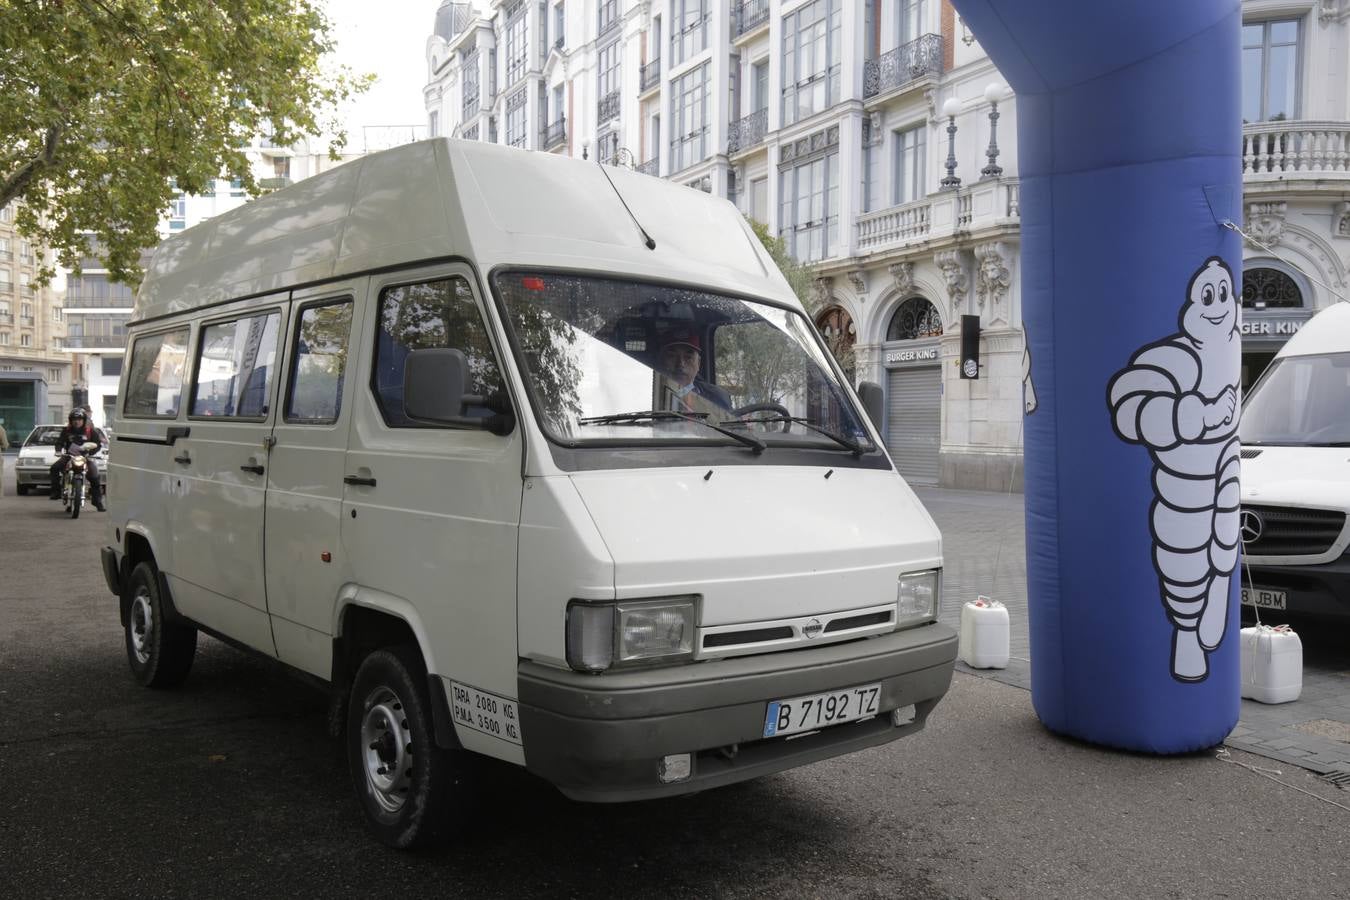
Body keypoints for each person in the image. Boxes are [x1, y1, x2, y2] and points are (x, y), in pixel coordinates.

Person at [656, 328, 733, 415]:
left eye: (688, 357)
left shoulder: (717, 398)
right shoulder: (651, 398)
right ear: (662, 361)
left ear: (699, 363)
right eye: (672, 356)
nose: (681, 364)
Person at [49, 408, 107, 511]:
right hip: (69, 456)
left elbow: (97, 444)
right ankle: (56, 492)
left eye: (80, 419)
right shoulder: (66, 431)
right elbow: (59, 442)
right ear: (70, 420)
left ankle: (97, 502)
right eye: (74, 419)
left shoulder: (90, 431)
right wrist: (58, 451)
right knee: (54, 468)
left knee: (95, 476)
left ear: (84, 420)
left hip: (85, 458)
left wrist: (91, 452)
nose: (77, 421)